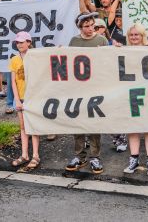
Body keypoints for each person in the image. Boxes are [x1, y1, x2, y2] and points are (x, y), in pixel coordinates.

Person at [65, 12, 109, 174]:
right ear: (80, 27)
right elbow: (69, 63)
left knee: (94, 122)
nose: (90, 29)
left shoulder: (101, 40)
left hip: (95, 88)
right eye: (86, 26)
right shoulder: (74, 41)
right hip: (78, 88)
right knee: (78, 122)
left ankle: (95, 156)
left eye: (92, 25)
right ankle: (79, 156)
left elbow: (108, 62)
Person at [121, 23, 148, 176]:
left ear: (143, 36)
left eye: (137, 34)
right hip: (131, 94)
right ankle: (134, 159)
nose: (134, 37)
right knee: (133, 128)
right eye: (131, 35)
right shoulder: (123, 51)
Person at [8, 32, 40, 172]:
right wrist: (16, 98)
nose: (19, 44)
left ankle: (36, 155)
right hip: (20, 97)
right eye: (17, 42)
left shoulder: (35, 57)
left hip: (32, 97)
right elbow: (13, 82)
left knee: (33, 126)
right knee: (23, 127)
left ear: (29, 42)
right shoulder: (14, 60)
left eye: (22, 42)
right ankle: (24, 154)